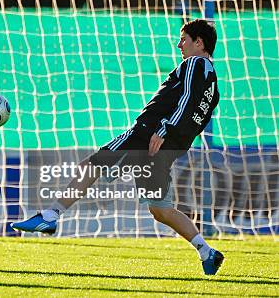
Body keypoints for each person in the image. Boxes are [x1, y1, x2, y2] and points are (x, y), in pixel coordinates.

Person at [12, 19, 224, 275]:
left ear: (198, 42)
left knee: (90, 166)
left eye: (184, 39)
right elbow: (198, 119)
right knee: (160, 209)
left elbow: (188, 100)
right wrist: (173, 141)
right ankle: (207, 252)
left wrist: (164, 127)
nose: (179, 45)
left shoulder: (195, 63)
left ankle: (50, 216)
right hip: (165, 147)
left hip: (148, 135)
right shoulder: (213, 85)